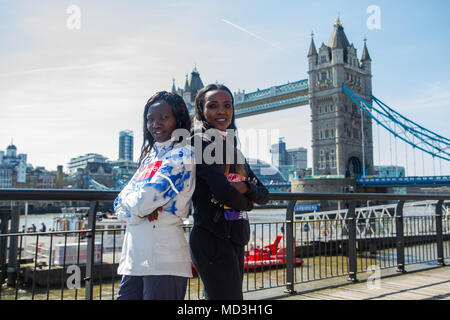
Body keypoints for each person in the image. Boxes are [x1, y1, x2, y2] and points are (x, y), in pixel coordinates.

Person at [189, 84, 269, 300]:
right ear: (201, 111)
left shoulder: (236, 152)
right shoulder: (199, 142)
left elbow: (265, 194)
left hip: (235, 236)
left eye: (227, 105)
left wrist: (244, 187)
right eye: (213, 106)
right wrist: (249, 202)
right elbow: (223, 193)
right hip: (211, 237)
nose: (221, 111)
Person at [114, 91, 195, 300]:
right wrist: (138, 211)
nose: (155, 124)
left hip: (164, 260)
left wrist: (136, 209)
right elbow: (118, 202)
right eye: (150, 119)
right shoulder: (149, 157)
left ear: (178, 120)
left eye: (163, 118)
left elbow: (143, 201)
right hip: (133, 259)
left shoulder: (182, 154)